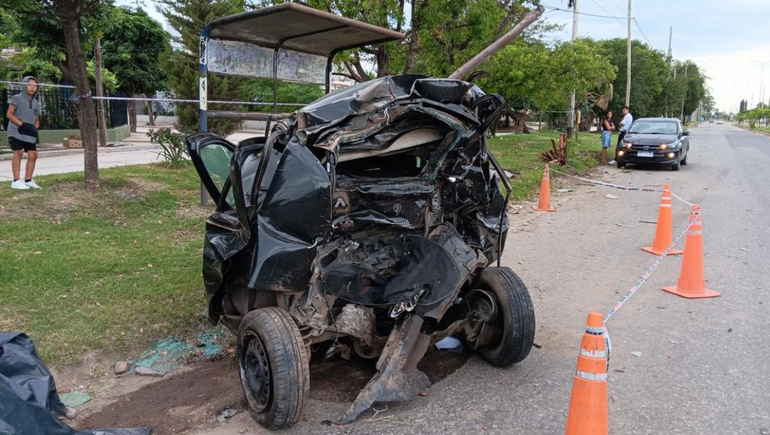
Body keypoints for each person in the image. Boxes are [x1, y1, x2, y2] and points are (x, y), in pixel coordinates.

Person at [6, 76, 42, 190]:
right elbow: (9, 114)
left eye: (34, 85)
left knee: (33, 155)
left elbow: (36, 119)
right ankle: (16, 181)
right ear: (24, 85)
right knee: (19, 152)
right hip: (16, 130)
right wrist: (22, 124)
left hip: (29, 132)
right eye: (29, 84)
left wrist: (35, 128)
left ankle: (28, 180)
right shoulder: (16, 98)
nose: (32, 87)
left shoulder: (37, 103)